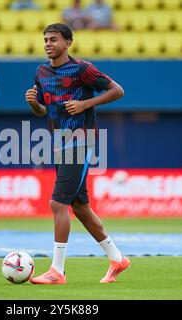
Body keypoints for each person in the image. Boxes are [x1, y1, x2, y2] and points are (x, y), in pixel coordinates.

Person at [25, 23, 128, 284]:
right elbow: (43, 112)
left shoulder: (82, 69)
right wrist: (34, 104)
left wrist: (86, 103)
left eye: (54, 39)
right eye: (46, 39)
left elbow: (117, 90)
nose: (48, 43)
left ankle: (57, 271)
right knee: (80, 207)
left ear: (68, 42)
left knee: (57, 204)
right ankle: (117, 259)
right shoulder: (41, 72)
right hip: (59, 143)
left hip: (81, 141)